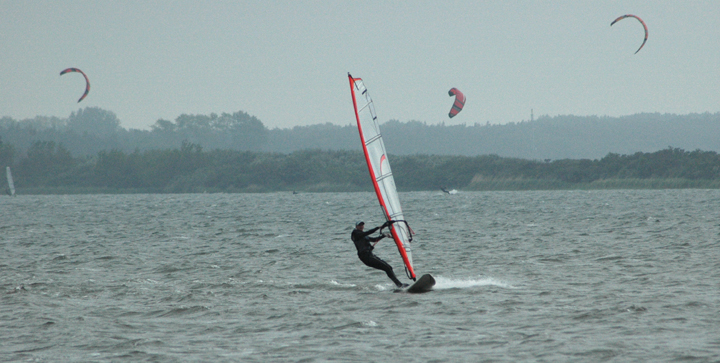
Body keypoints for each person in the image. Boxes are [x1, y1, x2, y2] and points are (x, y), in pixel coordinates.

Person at [351, 221, 408, 288]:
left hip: (370, 255)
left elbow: (374, 239)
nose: (361, 226)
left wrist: (383, 236)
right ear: (356, 226)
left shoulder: (363, 234)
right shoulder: (355, 233)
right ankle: (399, 285)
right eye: (359, 225)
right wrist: (378, 227)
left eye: (362, 225)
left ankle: (399, 284)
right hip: (365, 257)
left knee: (389, 267)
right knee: (387, 268)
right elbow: (368, 232)